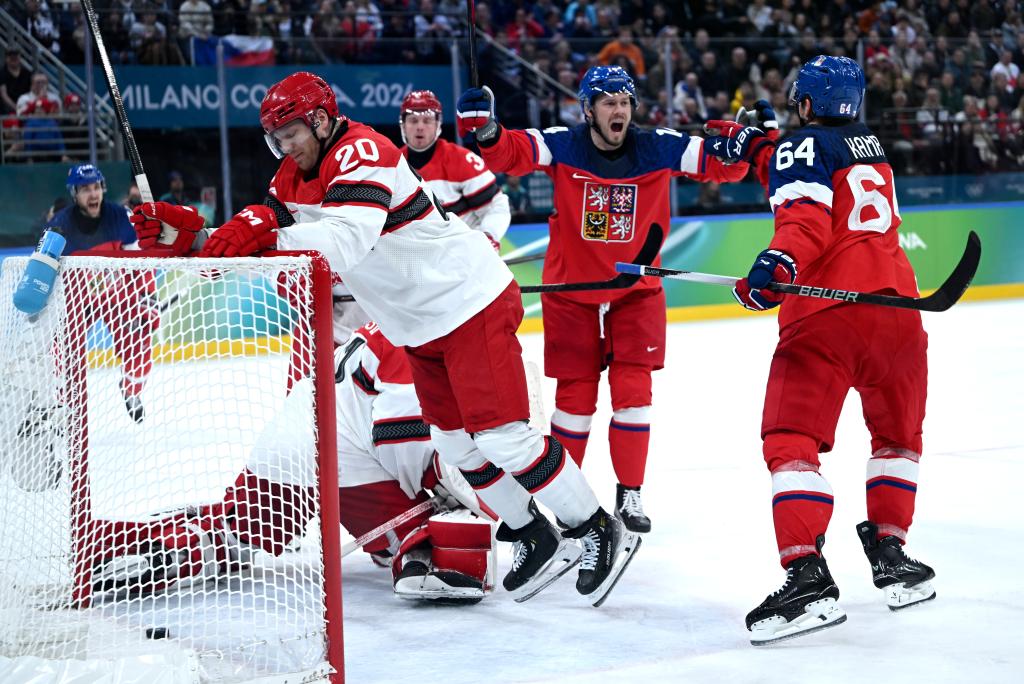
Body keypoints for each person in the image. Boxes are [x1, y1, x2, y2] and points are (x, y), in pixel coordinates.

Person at [129, 72, 636, 603]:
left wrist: (263, 235)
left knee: (503, 436)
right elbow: (263, 229)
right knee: (453, 442)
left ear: (320, 120)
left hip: (468, 303)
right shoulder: (293, 174)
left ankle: (597, 527)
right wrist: (194, 236)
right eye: (276, 140)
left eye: (291, 135)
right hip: (419, 325)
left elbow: (343, 242)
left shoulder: (363, 150)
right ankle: (532, 531)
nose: (285, 147)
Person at [701, 55, 936, 645]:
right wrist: (763, 147)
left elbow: (805, 217)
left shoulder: (799, 146)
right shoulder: (870, 145)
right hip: (900, 314)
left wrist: (776, 264)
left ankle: (807, 574)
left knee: (790, 441)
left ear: (805, 103)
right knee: (897, 439)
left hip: (827, 316)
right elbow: (814, 165)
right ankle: (892, 554)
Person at [455, 65, 750, 533]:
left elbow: (724, 167)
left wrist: (746, 144)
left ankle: (630, 494)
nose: (620, 111)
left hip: (637, 291)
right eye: (609, 102)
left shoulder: (658, 146)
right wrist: (488, 131)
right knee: (574, 400)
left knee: (634, 394)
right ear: (588, 109)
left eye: (625, 102)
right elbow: (511, 153)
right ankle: (567, 498)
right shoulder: (563, 144)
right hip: (571, 291)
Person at [90, 322, 497, 604]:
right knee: (440, 546)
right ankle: (413, 548)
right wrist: (466, 494)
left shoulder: (399, 322)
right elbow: (400, 441)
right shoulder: (421, 342)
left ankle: (154, 544)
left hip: (287, 438)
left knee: (238, 535)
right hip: (342, 459)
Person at [46, 163, 158, 423]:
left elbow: (140, 261)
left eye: (96, 187)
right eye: (85, 189)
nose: (93, 194)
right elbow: (45, 268)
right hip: (78, 301)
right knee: (59, 352)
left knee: (140, 344)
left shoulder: (120, 217)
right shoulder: (59, 225)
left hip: (118, 297)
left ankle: (131, 390)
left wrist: (148, 296)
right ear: (75, 194)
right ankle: (61, 405)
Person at [397, 89, 510, 250]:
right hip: (416, 258)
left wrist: (488, 236)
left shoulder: (463, 161)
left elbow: (496, 206)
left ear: (438, 124)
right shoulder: (392, 166)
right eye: (413, 120)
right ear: (403, 125)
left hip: (463, 256)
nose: (420, 127)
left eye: (427, 120)